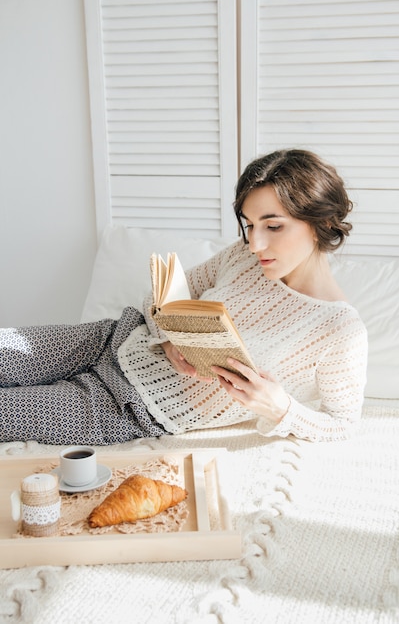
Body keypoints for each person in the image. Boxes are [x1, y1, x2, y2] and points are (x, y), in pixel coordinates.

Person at [0, 149, 367, 446]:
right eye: (250, 225)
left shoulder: (339, 330)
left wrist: (279, 407)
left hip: (125, 408)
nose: (255, 243)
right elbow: (161, 296)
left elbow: (343, 424)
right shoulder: (243, 256)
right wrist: (169, 337)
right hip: (111, 339)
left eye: (273, 226)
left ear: (322, 222)